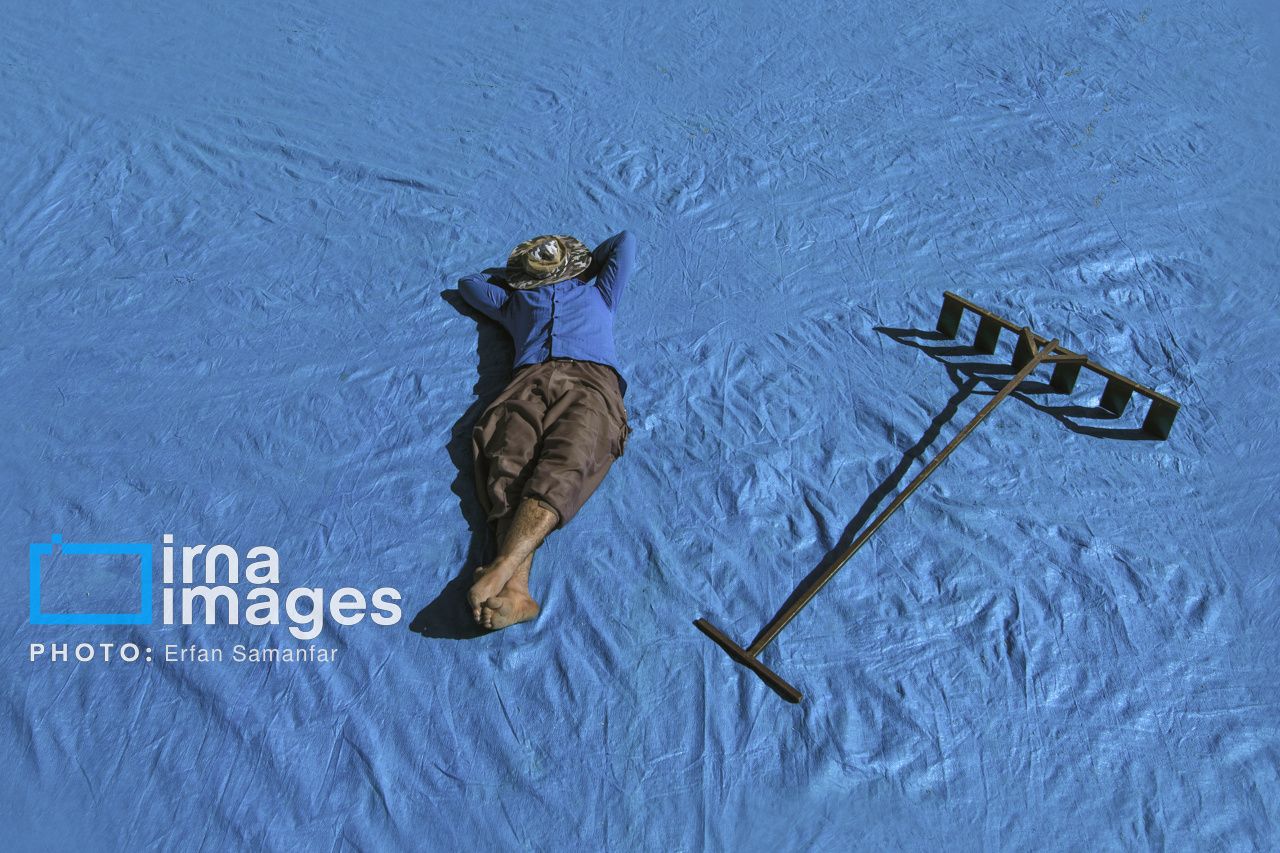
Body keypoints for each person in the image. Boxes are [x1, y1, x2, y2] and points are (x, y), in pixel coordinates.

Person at [456, 231, 635, 630]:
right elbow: (469, 284)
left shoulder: (599, 292)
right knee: (508, 460)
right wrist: (517, 278)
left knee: (571, 456)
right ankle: (517, 592)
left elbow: (625, 242)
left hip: (591, 380)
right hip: (528, 380)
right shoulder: (516, 302)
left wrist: (584, 265)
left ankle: (504, 565)